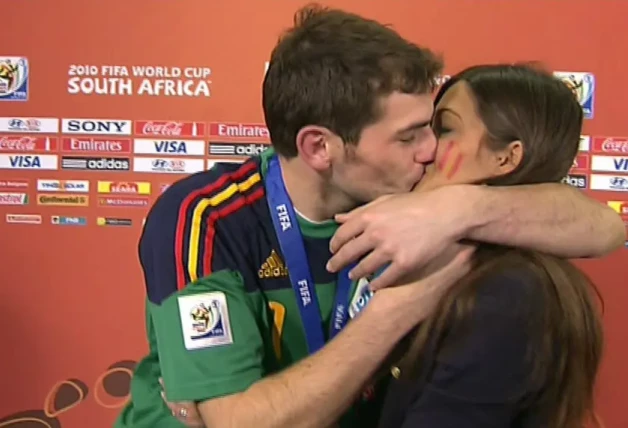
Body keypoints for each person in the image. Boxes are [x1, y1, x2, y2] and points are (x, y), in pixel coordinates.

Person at [121, 5, 624, 428]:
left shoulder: (414, 202)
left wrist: (460, 207)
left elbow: (603, 227)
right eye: (409, 137)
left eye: (434, 128)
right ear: (320, 147)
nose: (429, 152)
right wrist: (402, 304)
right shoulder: (206, 216)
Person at [369, 64, 605, 428]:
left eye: (444, 129)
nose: (426, 147)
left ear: (506, 158)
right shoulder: (471, 270)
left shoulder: (507, 295)